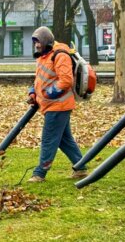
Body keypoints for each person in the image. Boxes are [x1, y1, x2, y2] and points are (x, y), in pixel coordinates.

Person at [27, 26, 87, 182]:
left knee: (49, 139)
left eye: (38, 42)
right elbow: (39, 79)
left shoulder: (60, 56)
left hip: (58, 105)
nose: (36, 45)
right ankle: (81, 167)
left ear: (46, 41)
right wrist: (32, 92)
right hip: (50, 105)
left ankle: (40, 173)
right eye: (35, 42)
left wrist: (48, 94)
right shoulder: (42, 56)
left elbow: (66, 80)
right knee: (63, 139)